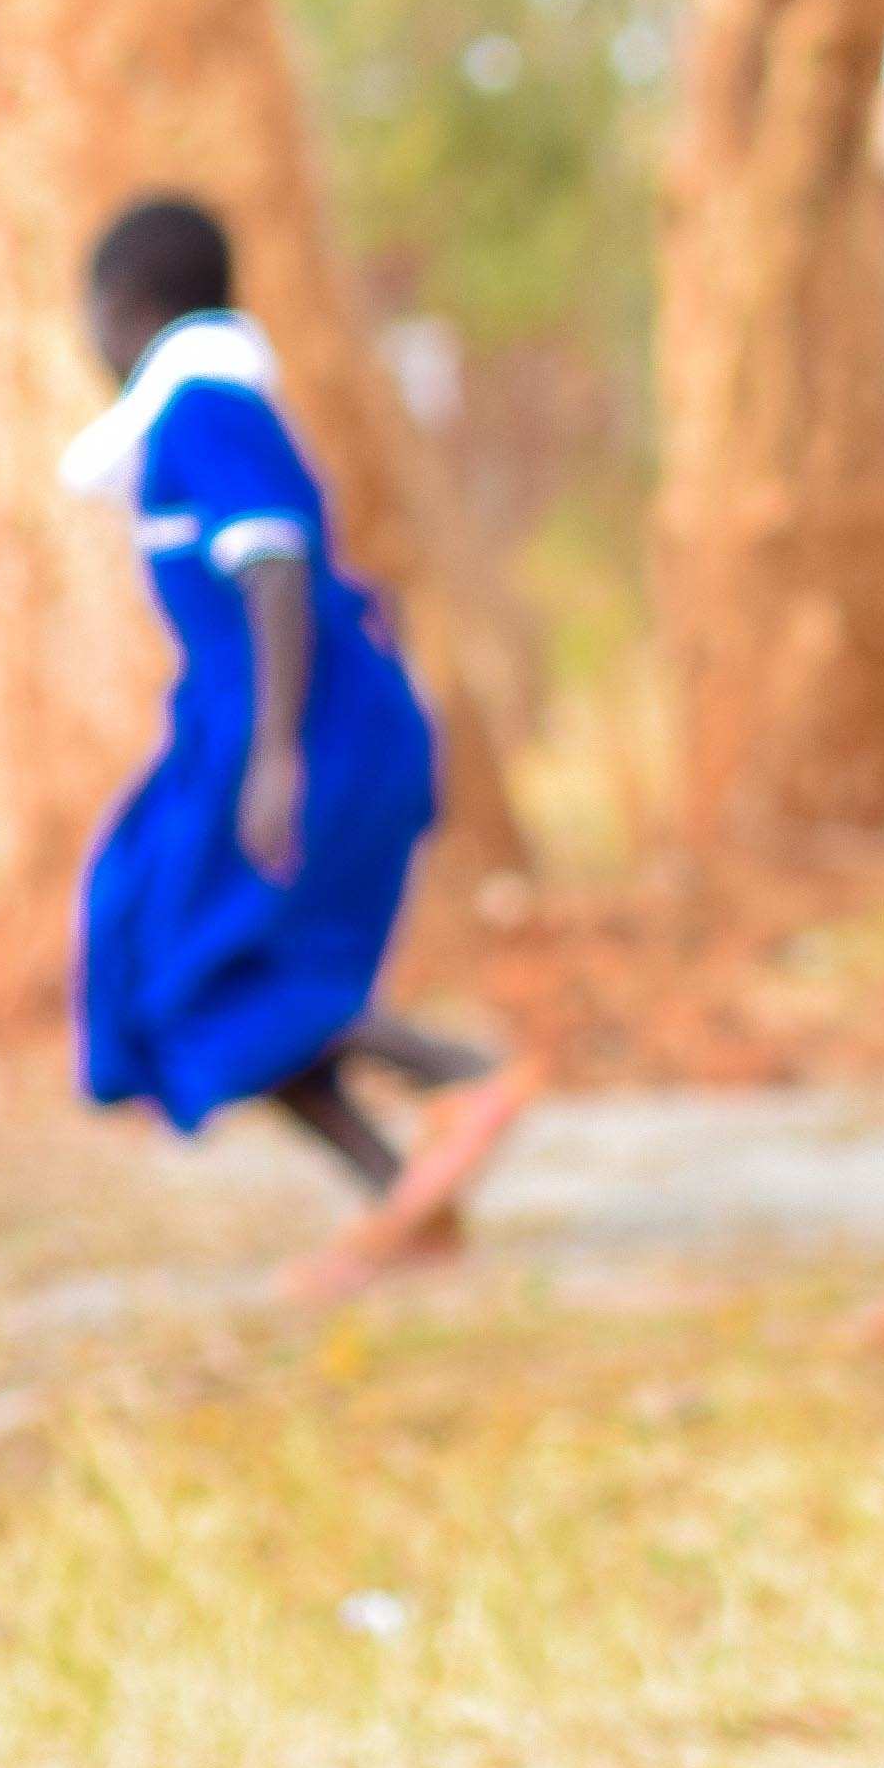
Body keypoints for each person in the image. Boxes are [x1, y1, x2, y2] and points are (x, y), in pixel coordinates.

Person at [59, 194, 531, 1297]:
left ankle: (459, 1077)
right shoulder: (196, 414)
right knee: (154, 954)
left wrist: (276, 753)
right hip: (237, 724)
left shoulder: (205, 408)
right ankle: (405, 1202)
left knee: (203, 970)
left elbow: (273, 566)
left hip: (284, 723)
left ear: (121, 309)